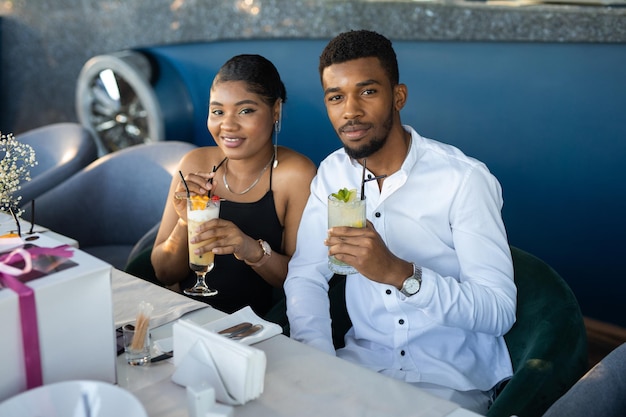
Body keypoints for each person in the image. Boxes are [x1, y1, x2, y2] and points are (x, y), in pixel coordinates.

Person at [283, 30, 516, 414]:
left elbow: (498, 311)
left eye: (368, 92)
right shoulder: (332, 175)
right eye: (336, 97)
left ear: (398, 97)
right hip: (362, 368)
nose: (350, 111)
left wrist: (400, 274)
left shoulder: (464, 180)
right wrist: (318, 359)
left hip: (449, 380)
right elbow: (306, 274)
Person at [151, 54, 316, 317]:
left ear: (276, 110)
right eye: (217, 111)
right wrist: (185, 222)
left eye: (245, 111)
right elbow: (164, 272)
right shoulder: (195, 163)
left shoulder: (295, 174)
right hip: (184, 317)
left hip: (253, 331)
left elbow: (303, 280)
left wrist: (249, 248)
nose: (227, 125)